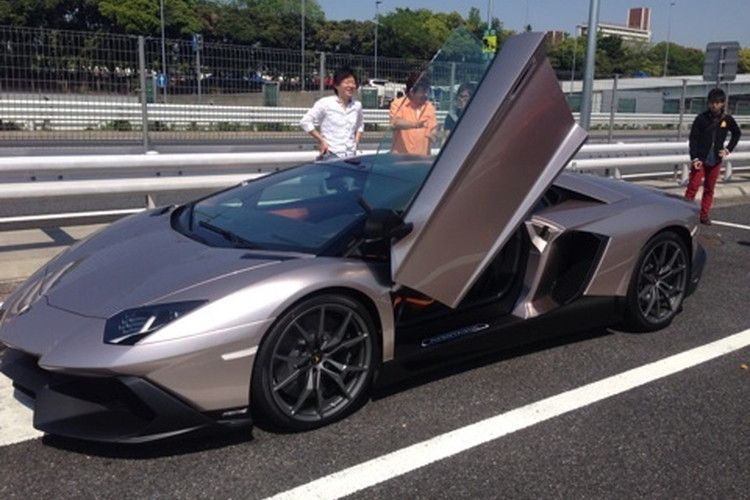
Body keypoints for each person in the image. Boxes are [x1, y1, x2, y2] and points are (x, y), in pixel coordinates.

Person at [684, 87, 741, 224]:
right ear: (708, 103)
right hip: (701, 159)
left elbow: (736, 133)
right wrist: (694, 158)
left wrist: (728, 149)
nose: (715, 105)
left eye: (718, 102)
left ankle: (704, 214)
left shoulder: (726, 119)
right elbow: (693, 139)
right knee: (693, 186)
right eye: (712, 102)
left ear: (722, 103)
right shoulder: (701, 118)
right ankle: (685, 213)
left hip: (715, 159)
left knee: (709, 188)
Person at [300, 67, 364, 159]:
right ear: (336, 85)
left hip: (351, 155)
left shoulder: (357, 106)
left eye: (353, 83)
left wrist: (356, 141)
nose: (350, 86)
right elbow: (305, 121)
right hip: (331, 153)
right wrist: (321, 140)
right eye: (347, 82)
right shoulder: (325, 103)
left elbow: (360, 125)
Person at [389, 72, 438, 155]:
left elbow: (433, 127)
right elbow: (395, 123)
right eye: (422, 92)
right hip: (400, 158)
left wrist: (434, 134)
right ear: (412, 92)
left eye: (427, 91)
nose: (426, 95)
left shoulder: (429, 107)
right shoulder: (398, 104)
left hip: (422, 158)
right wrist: (415, 125)